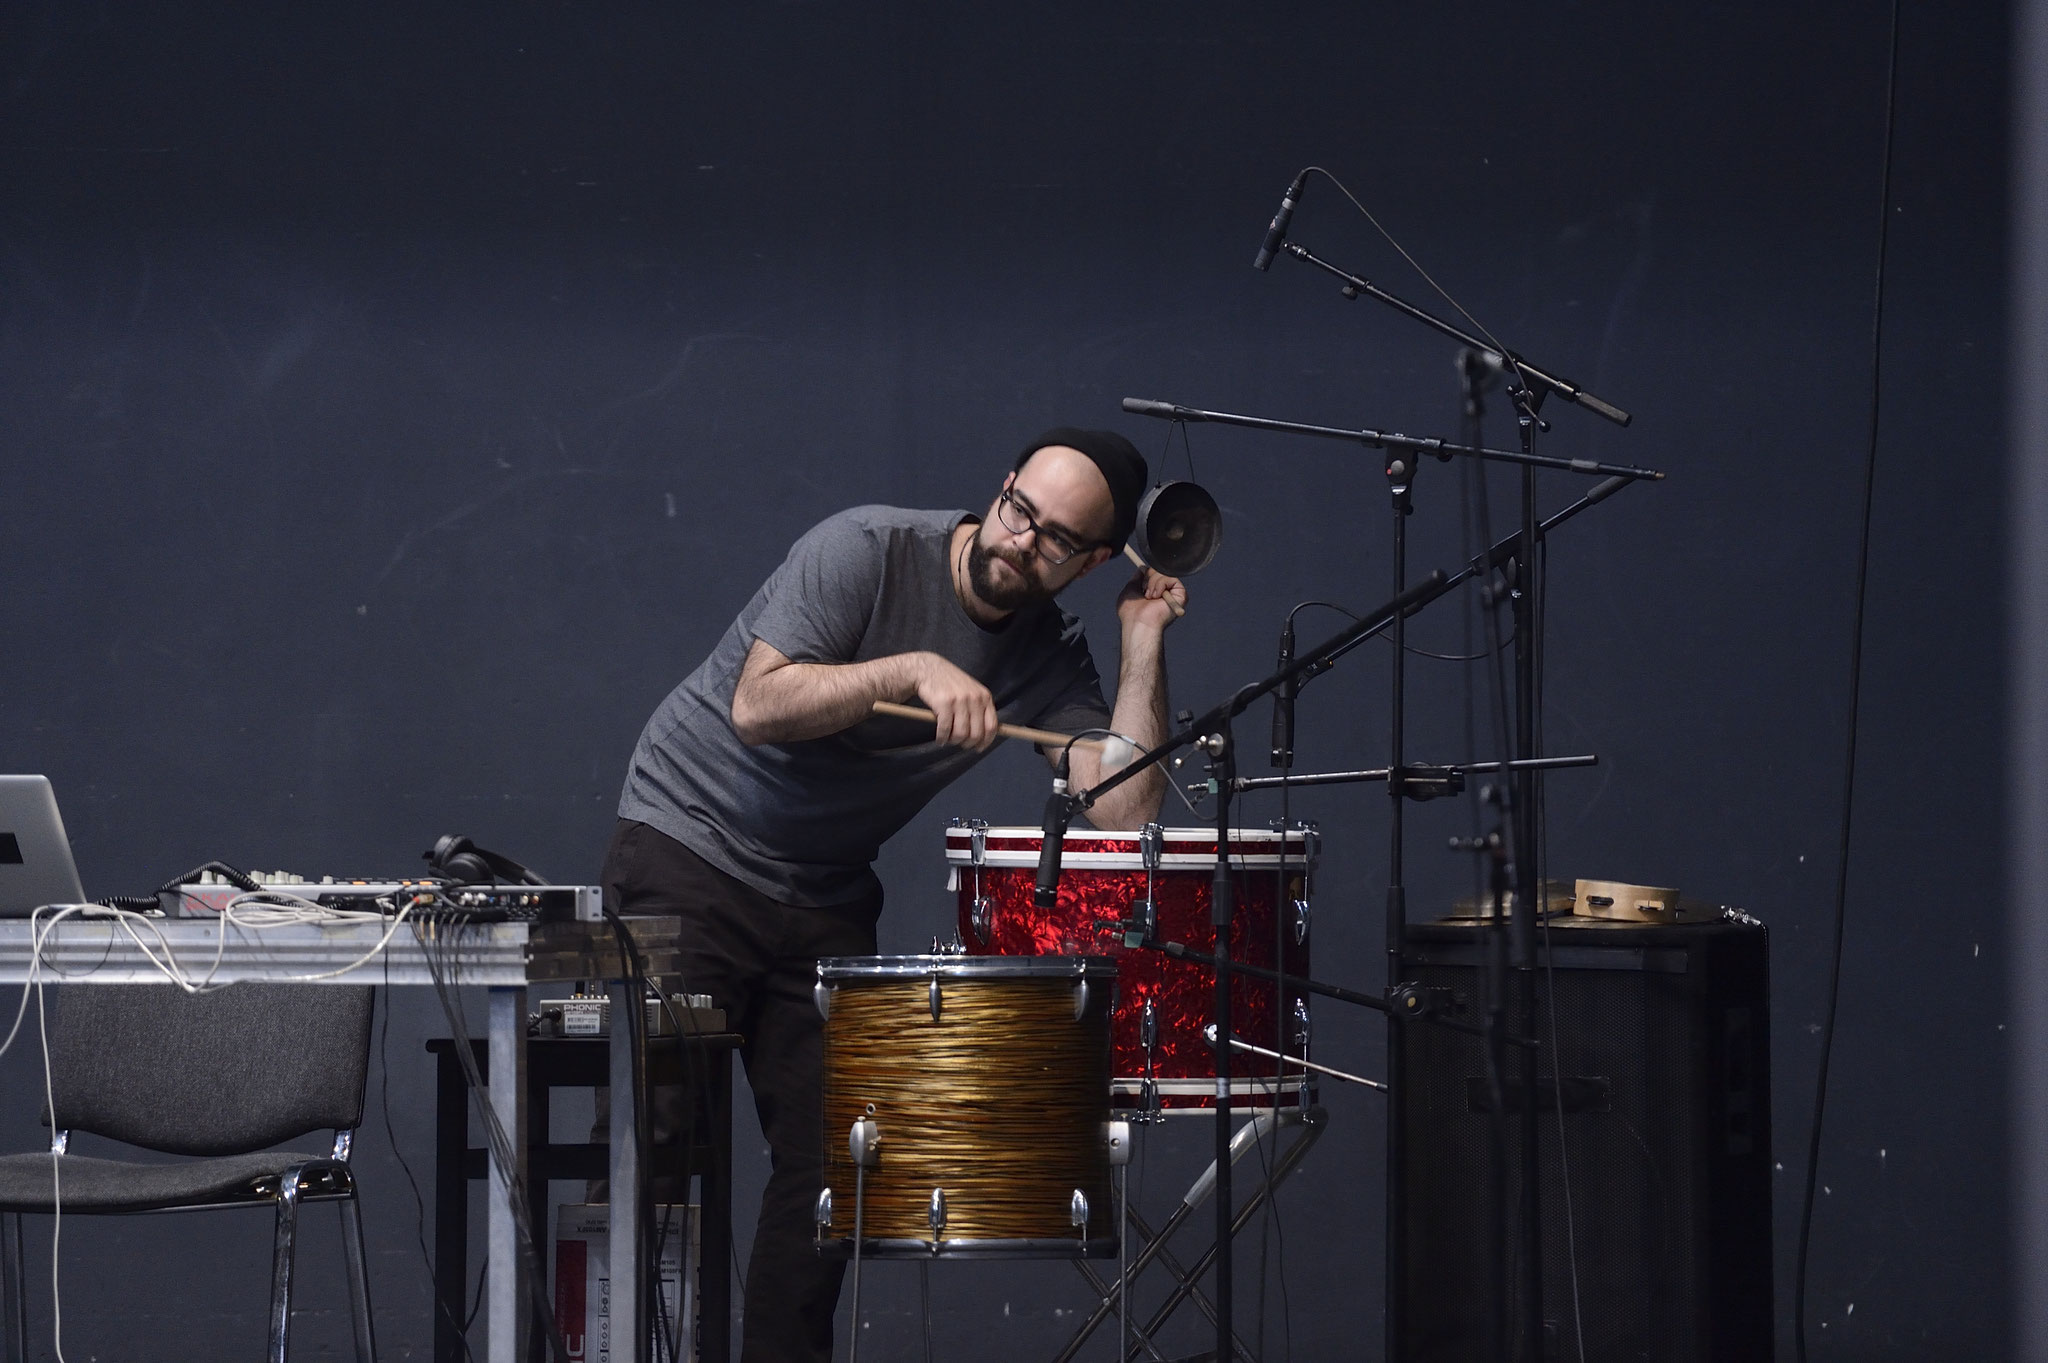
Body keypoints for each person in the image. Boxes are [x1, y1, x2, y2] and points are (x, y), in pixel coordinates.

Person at [603, 427, 1185, 1362]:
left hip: (823, 889)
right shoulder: (866, 549)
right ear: (1002, 487)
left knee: (838, 1166)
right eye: (1018, 510)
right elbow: (758, 705)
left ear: (1090, 563)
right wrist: (910, 668)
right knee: (658, 1142)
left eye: (1053, 539)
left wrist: (1141, 641)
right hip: (689, 845)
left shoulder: (1047, 654)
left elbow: (1125, 807)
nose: (1018, 541)